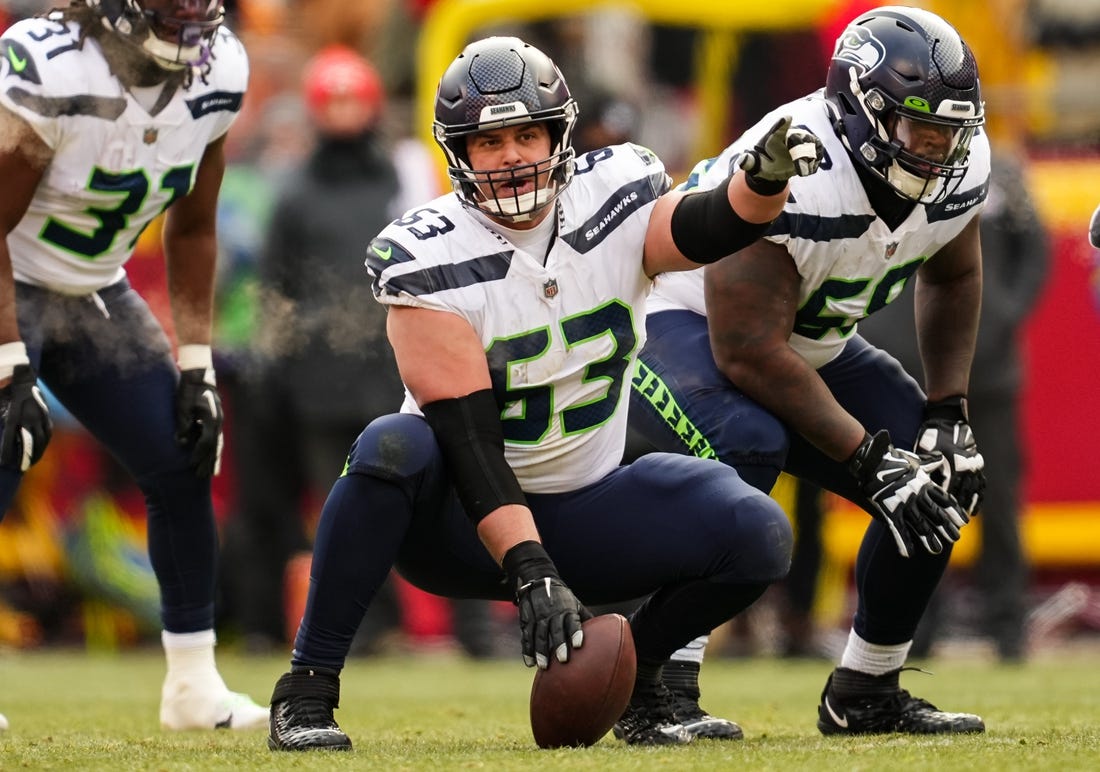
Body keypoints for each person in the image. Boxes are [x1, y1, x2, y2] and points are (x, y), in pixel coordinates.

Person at [266, 35, 824, 751]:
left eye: (527, 134)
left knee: (756, 531)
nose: (511, 156)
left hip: (587, 504)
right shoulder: (426, 255)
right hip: (458, 527)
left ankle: (643, 687)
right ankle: (307, 690)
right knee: (391, 445)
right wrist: (530, 572)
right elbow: (470, 446)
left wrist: (762, 180)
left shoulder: (614, 191)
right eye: (488, 140)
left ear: (559, 134)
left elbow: (704, 226)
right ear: (458, 153)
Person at [629, 6, 988, 735]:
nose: (939, 150)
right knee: (746, 443)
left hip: (805, 344)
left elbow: (953, 275)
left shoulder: (958, 169)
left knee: (941, 472)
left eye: (952, 132)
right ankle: (654, 682)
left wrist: (948, 411)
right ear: (860, 111)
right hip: (685, 322)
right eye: (921, 130)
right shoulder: (794, 168)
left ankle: (866, 689)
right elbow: (745, 351)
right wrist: (866, 454)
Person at [0, 0, 267, 730]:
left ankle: (192, 685)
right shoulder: (52, 65)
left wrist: (197, 365)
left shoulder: (223, 71)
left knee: (184, 454)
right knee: (2, 449)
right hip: (7, 276)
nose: (189, 16)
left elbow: (194, 228)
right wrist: (9, 364)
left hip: (91, 287)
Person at [860, 150, 1050, 661]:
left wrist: (1003, 312)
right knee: (908, 498)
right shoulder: (875, 163)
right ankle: (912, 626)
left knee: (1001, 501)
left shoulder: (1001, 173)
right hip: (903, 368)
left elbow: (1035, 250)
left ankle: (1008, 624)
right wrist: (875, 328)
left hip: (988, 373)